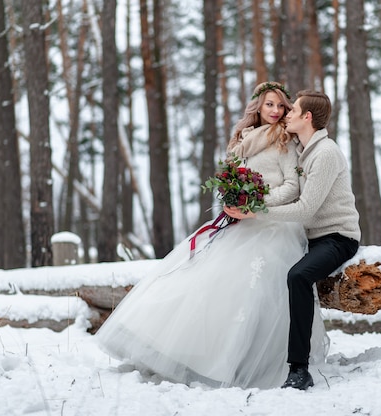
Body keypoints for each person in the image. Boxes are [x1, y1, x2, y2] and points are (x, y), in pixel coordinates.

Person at [96, 82, 328, 389]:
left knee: (252, 287)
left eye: (281, 106)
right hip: (240, 224)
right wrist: (234, 199)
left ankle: (243, 362)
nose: (275, 111)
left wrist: (257, 203)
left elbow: (291, 188)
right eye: (269, 105)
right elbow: (231, 178)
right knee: (198, 278)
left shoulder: (284, 140)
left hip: (273, 227)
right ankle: (182, 352)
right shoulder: (241, 141)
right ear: (257, 107)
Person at [225, 90, 361, 390]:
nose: (286, 113)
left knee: (298, 276)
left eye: (293, 109)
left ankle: (299, 369)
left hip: (337, 237)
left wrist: (255, 212)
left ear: (307, 117)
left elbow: (305, 208)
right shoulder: (305, 148)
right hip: (312, 236)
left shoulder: (326, 153)